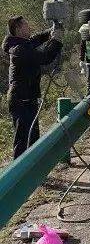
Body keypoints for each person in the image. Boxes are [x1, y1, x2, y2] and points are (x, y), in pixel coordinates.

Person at [2, 16, 64, 159]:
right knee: (23, 140)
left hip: (27, 98)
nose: (29, 27)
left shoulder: (24, 44)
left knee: (33, 137)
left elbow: (37, 39)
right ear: (18, 29)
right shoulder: (18, 50)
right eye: (26, 25)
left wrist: (52, 30)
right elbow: (44, 57)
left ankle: (34, 174)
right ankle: (18, 176)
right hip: (20, 100)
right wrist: (56, 40)